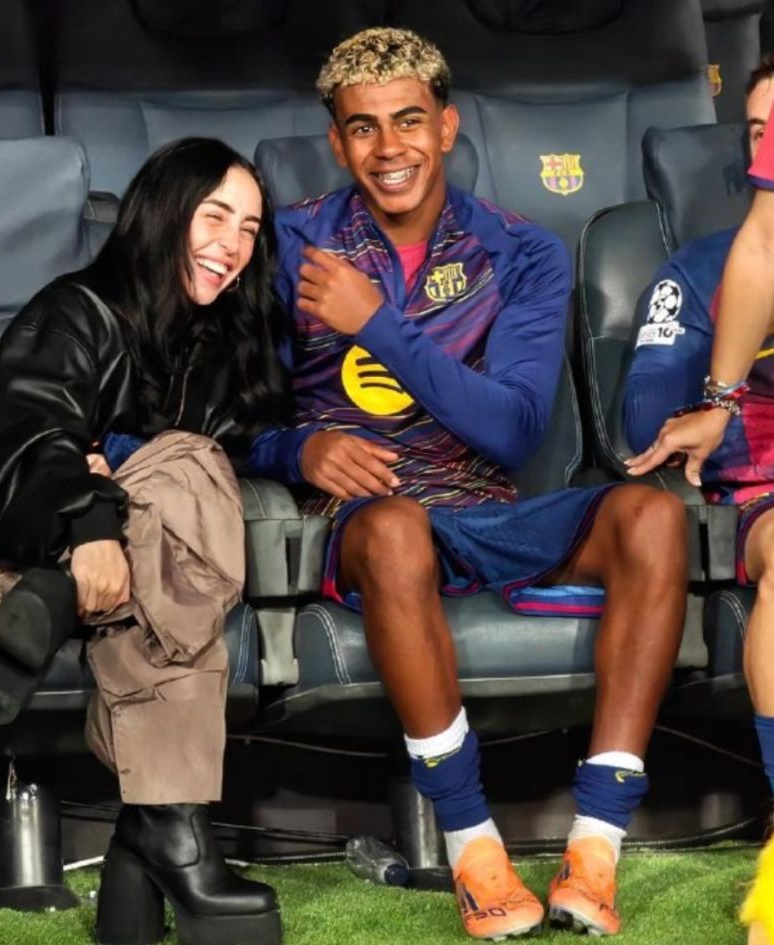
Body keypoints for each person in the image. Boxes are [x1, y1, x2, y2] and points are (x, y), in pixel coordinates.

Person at [245, 27, 688, 940]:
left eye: (409, 121)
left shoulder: (519, 251)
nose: (389, 147)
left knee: (651, 516)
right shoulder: (289, 246)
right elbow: (220, 416)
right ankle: (474, 846)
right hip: (365, 521)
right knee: (395, 527)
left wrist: (376, 322)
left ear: (446, 127)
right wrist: (298, 449)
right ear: (337, 142)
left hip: (487, 507)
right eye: (363, 127)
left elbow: (516, 428)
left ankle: (596, 845)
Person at [0, 138, 286, 945]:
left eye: (250, 229)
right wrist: (89, 526)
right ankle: (168, 832)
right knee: (185, 485)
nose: (232, 244)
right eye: (214, 216)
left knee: (184, 493)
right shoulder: (73, 312)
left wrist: (112, 509)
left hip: (76, 579)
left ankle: (66, 610)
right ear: (165, 213)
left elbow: (239, 459)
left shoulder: (215, 348)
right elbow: (31, 440)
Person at [624, 57, 774, 807]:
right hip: (762, 490)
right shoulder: (708, 266)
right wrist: (730, 369)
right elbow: (644, 418)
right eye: (759, 131)